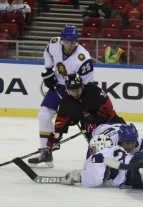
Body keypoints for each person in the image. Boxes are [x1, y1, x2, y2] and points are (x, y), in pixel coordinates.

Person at [28, 25, 94, 168]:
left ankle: (96, 156)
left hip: (76, 91)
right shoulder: (54, 43)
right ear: (62, 40)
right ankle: (45, 152)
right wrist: (48, 69)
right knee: (44, 115)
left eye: (73, 42)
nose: (70, 46)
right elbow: (47, 52)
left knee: (86, 125)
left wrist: (78, 104)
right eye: (67, 42)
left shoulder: (83, 58)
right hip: (58, 86)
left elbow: (88, 84)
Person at [44, 73, 126, 160]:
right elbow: (61, 120)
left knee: (125, 138)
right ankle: (96, 165)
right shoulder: (66, 101)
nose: (76, 93)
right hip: (90, 126)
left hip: (111, 121)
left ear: (82, 86)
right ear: (68, 90)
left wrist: (93, 120)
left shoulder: (94, 92)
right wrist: (56, 138)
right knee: (96, 149)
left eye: (78, 90)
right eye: (72, 91)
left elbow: (108, 110)